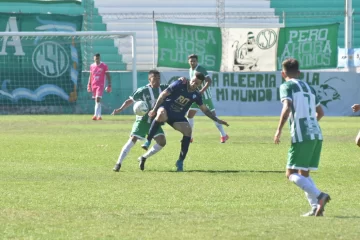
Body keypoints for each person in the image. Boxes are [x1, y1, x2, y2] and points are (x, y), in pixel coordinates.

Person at [274, 58, 330, 217]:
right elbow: (321, 112)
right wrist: (311, 122)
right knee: (304, 174)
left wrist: (278, 130)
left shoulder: (286, 86)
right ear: (299, 73)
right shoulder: (309, 87)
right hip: (316, 133)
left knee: (290, 173)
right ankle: (315, 208)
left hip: (301, 135)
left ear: (283, 73)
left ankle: (320, 196)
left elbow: (287, 107)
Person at [141, 72, 229, 172]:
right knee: (160, 113)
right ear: (190, 79)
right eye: (193, 81)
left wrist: (217, 120)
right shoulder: (180, 83)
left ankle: (180, 161)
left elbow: (205, 110)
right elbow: (163, 94)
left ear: (199, 85)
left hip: (177, 117)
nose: (193, 84)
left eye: (196, 84)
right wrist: (155, 109)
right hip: (166, 109)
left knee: (188, 131)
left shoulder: (196, 95)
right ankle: (148, 141)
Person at [111, 70, 168, 172]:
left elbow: (176, 88)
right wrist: (120, 109)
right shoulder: (143, 90)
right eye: (155, 78)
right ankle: (118, 163)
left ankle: (143, 157)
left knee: (162, 141)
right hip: (142, 120)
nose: (157, 80)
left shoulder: (163, 88)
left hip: (155, 121)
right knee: (133, 139)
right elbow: (130, 100)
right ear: (149, 79)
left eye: (159, 78)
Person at [186, 54, 229, 143]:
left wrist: (201, 91)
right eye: (191, 61)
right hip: (195, 96)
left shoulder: (200, 69)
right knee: (189, 115)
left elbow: (209, 81)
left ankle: (224, 135)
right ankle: (189, 137)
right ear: (188, 62)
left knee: (213, 116)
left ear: (197, 61)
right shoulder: (190, 70)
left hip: (205, 97)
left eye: (194, 61)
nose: (192, 62)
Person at [87, 53, 112, 120]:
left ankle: (95, 115)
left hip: (100, 85)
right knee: (97, 101)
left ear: (99, 58)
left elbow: (108, 75)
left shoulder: (104, 65)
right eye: (95, 58)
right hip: (93, 85)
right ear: (94, 58)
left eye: (98, 58)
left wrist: (109, 85)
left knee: (98, 99)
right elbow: (91, 75)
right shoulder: (92, 66)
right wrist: (88, 84)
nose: (97, 59)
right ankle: (99, 116)